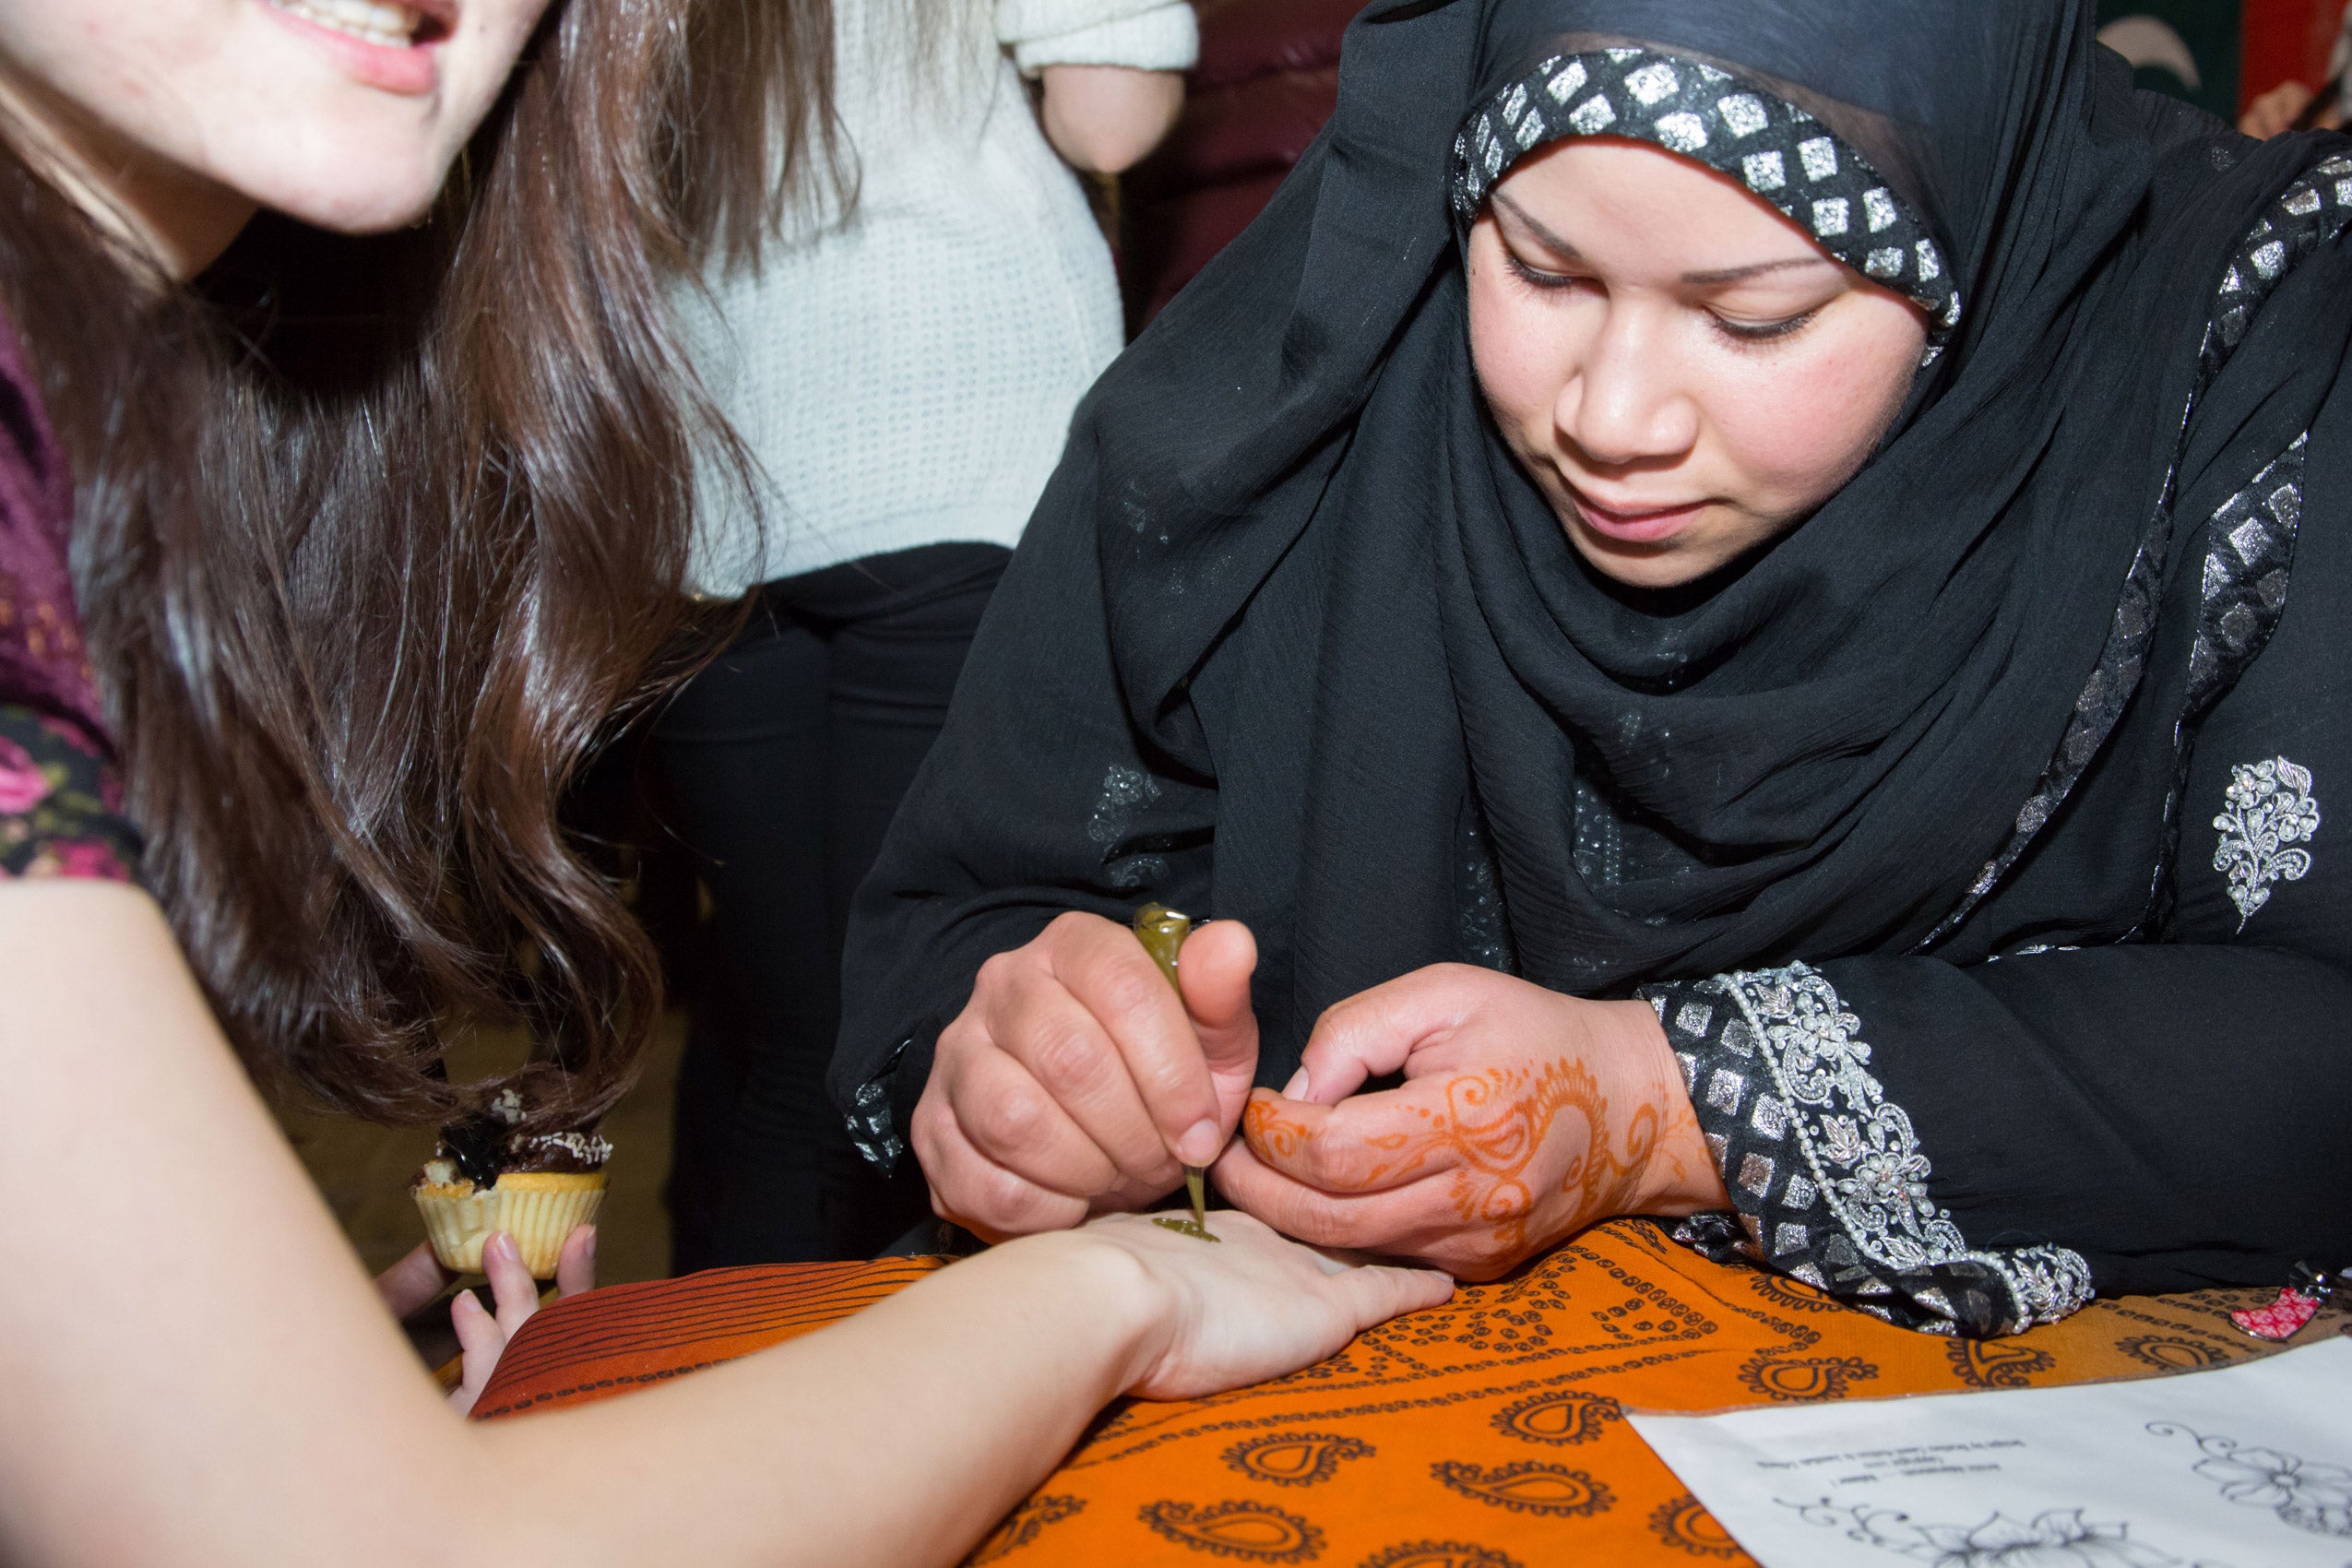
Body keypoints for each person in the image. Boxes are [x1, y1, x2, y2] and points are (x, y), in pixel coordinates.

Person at [0, 4, 1449, 1563]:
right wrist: (1118, 1290)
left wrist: (304, 1369)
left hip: (721, 517)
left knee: (776, 1023)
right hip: (931, 472)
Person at [838, 0, 2352, 1338]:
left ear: (1980, 243)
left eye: (1751, 316)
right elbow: (986, 903)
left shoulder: (2234, 361)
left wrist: (1666, 1103)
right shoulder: (1306, 394)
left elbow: (2313, 1044)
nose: (1614, 416)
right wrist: (1034, 1083)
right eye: (1543, 271)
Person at [656, 0, 1197, 1269]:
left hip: (698, 486)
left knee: (784, 1033)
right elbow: (1108, 114)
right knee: (920, 1031)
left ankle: (699, 1415)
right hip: (950, 437)